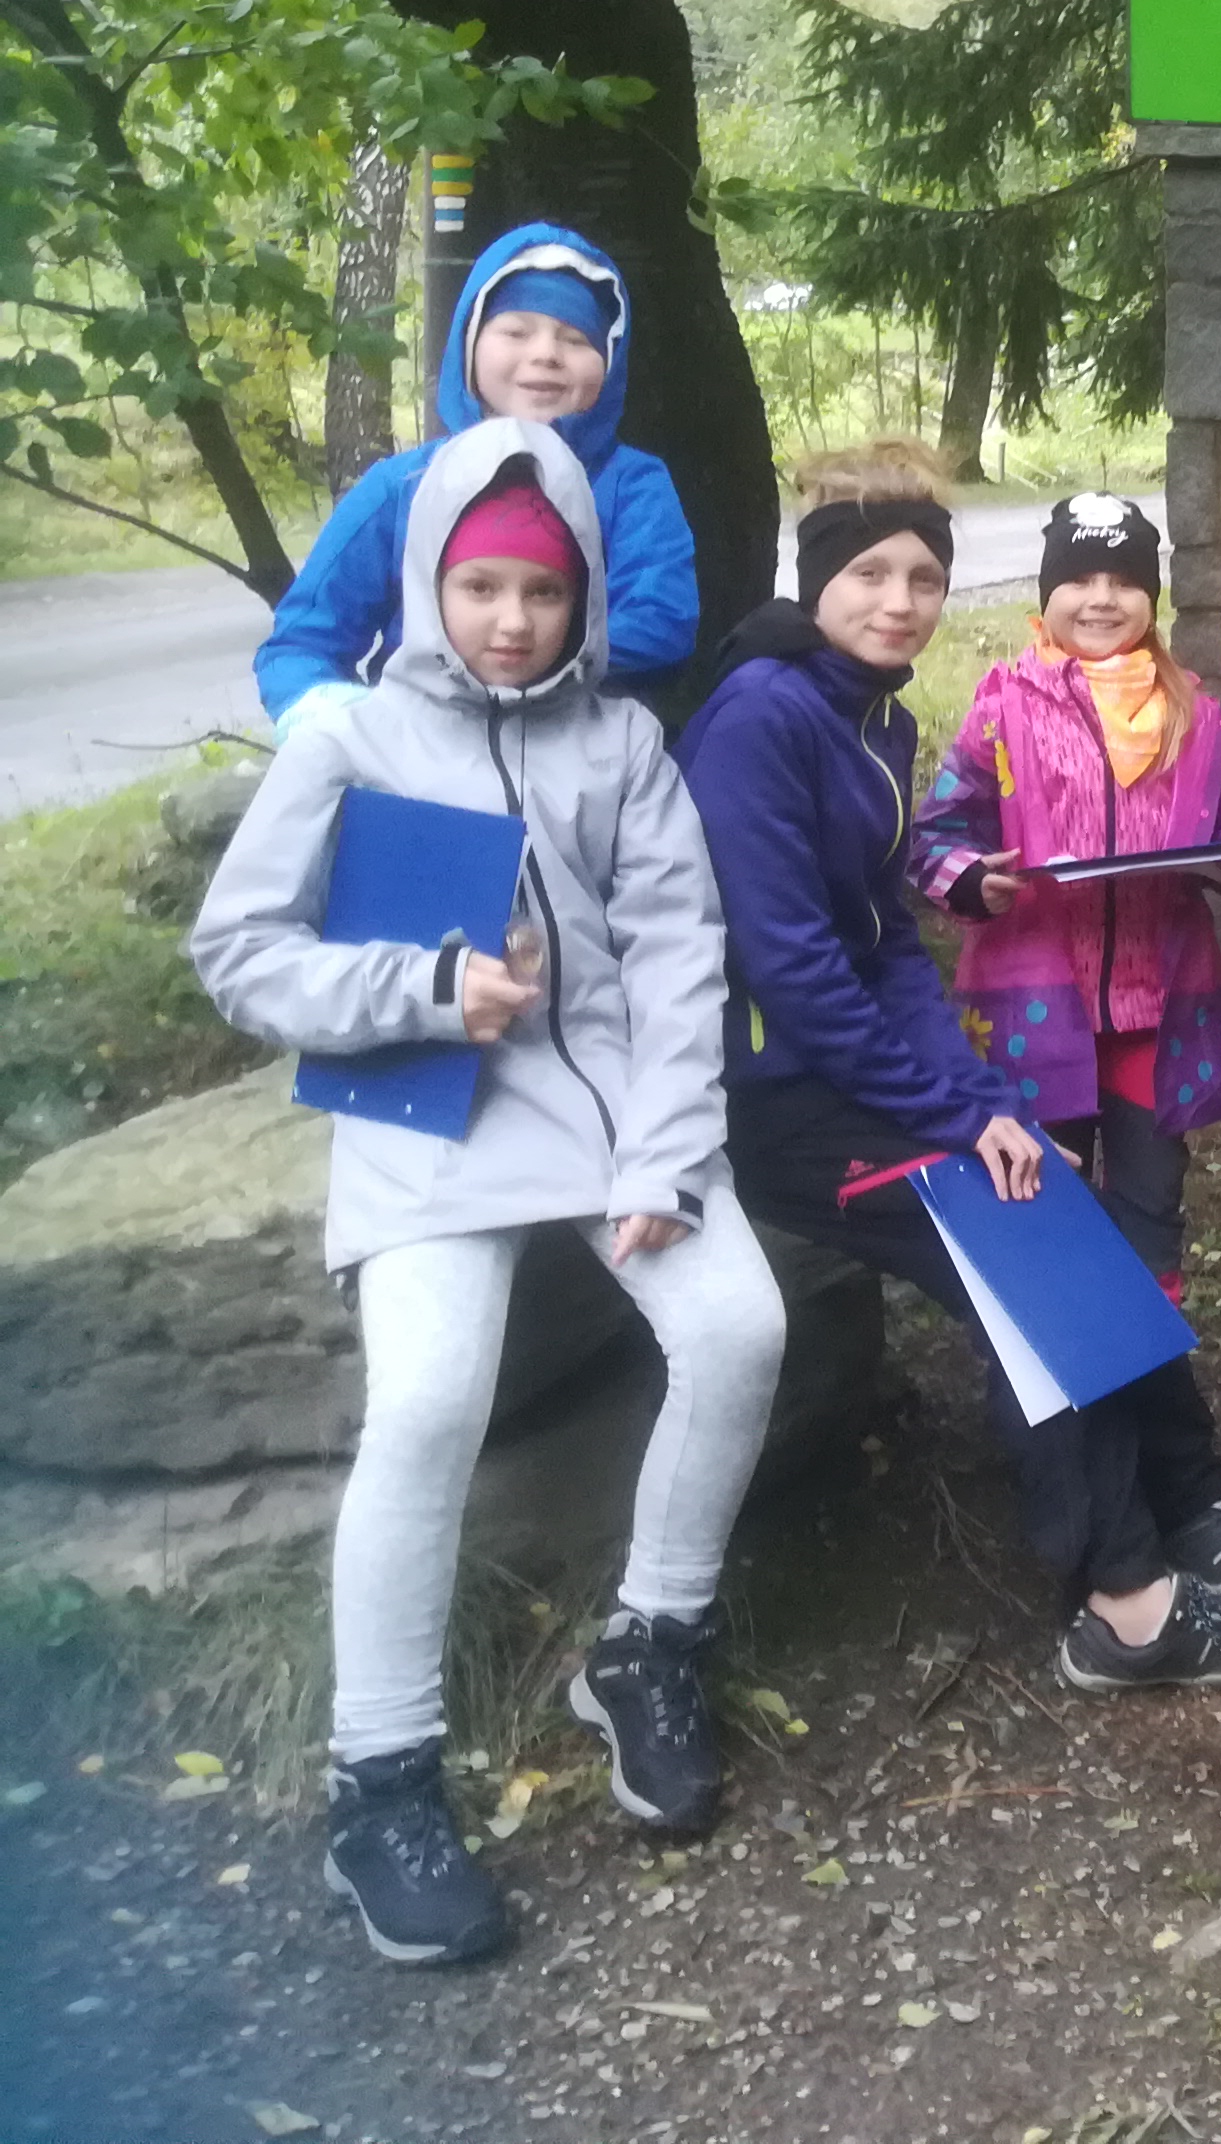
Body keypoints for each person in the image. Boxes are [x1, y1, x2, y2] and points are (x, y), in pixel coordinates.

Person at [192, 422, 788, 1966]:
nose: (512, 619)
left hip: (613, 1108)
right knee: (430, 1399)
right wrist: (417, 989)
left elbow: (679, 959)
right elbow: (241, 953)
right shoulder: (348, 738)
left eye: (543, 589)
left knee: (738, 1325)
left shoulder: (623, 744)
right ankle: (379, 1777)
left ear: (583, 591)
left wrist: (665, 1153)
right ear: (427, 583)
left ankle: (650, 1639)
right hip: (429, 1112)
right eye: (480, 587)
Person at [679, 446, 1221, 1693]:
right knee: (1026, 1251)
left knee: (1061, 1213)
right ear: (816, 580)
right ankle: (1127, 1608)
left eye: (924, 578)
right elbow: (791, 968)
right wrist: (951, 1111)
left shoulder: (868, 715)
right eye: (870, 575)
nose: (900, 603)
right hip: (769, 1100)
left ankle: (1189, 1496)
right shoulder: (761, 717)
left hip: (853, 1073)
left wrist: (973, 1101)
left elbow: (889, 951)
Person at [909, 494, 1221, 1298]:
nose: (1102, 599)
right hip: (1033, 1007)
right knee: (1042, 1195)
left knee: (1152, 1201)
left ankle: (1152, 1359)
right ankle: (1057, 1361)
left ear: (1151, 596)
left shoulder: (1195, 714)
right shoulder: (1002, 708)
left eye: (1124, 581)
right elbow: (937, 834)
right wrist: (972, 879)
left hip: (1158, 1007)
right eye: (1080, 580)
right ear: (1047, 593)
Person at [256, 225, 698, 726]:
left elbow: (661, 620)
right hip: (421, 744)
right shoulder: (403, 486)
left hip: (580, 748)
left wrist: (527, 664)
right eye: (516, 332)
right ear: (469, 345)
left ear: (610, 363)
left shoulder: (634, 486)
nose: (546, 353)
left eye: (575, 339)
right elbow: (302, 644)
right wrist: (346, 728)